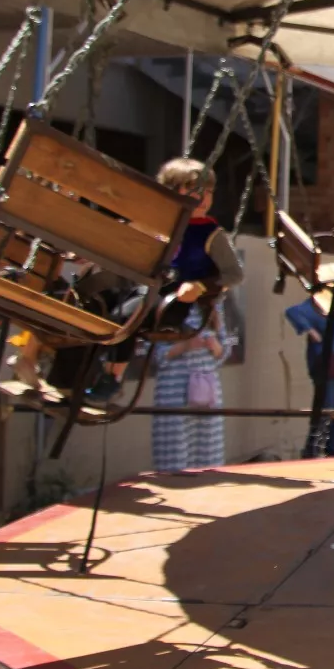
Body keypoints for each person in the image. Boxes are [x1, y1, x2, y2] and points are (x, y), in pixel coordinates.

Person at [89, 157, 243, 403]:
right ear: (173, 192)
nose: (203, 198)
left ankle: (113, 378)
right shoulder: (160, 224)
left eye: (209, 192)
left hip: (174, 300)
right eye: (194, 190)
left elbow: (234, 274)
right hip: (148, 288)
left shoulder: (210, 233)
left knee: (124, 317)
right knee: (95, 304)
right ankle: (74, 374)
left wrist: (202, 286)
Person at [150, 302, 234, 471]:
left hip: (208, 392)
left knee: (209, 457)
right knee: (174, 458)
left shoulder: (213, 305)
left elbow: (224, 349)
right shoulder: (166, 303)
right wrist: (184, 346)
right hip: (174, 392)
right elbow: (152, 354)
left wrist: (215, 346)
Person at [285, 297, 334, 458]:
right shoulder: (317, 304)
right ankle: (313, 448)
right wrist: (309, 330)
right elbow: (292, 311)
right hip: (325, 363)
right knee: (326, 407)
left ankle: (332, 449)